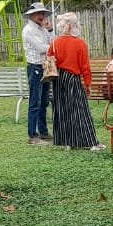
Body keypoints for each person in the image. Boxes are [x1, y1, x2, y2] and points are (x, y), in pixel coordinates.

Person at [47, 12, 104, 151]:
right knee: (80, 109)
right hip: (73, 78)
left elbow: (49, 59)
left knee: (62, 109)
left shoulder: (54, 42)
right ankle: (91, 142)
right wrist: (88, 84)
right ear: (75, 26)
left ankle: (68, 142)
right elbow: (85, 66)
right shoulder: (79, 43)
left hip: (58, 79)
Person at [21, 2, 53, 145]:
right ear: (31, 15)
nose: (41, 16)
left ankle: (43, 132)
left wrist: (50, 30)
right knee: (35, 102)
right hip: (35, 67)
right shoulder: (28, 30)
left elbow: (52, 42)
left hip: (44, 66)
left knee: (44, 101)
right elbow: (42, 48)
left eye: (42, 13)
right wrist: (52, 47)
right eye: (38, 14)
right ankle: (32, 135)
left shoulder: (42, 29)